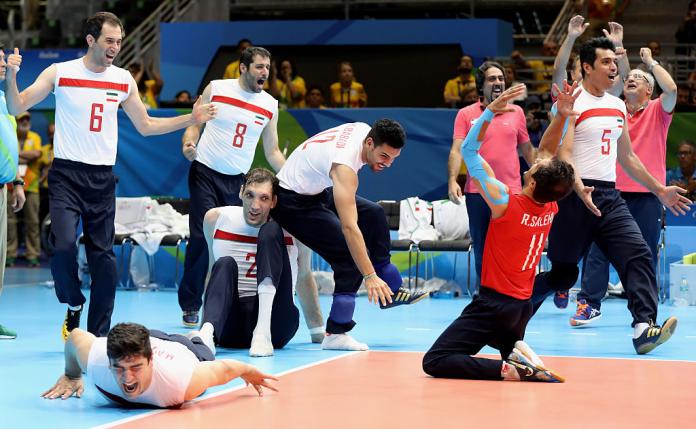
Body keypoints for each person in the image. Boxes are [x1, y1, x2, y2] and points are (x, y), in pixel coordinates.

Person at [3, 12, 217, 340]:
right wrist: (12, 77)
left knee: (103, 259)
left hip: (101, 180)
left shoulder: (123, 79)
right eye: (109, 41)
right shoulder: (60, 72)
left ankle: (98, 338)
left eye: (119, 41)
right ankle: (73, 302)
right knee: (61, 245)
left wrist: (192, 116)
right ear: (91, 41)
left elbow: (146, 126)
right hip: (66, 175)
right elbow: (16, 108)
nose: (115, 47)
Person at [530, 37, 690, 355]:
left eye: (614, 62)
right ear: (587, 67)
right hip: (573, 195)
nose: (614, 67)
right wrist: (578, 188)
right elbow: (565, 153)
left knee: (639, 255)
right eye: (606, 62)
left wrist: (659, 190)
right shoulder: (571, 103)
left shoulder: (618, 106)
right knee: (564, 274)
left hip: (608, 195)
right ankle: (511, 308)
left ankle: (643, 327)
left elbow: (627, 157)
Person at [423, 82, 577, 383]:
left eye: (534, 168)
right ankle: (516, 352)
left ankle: (508, 369)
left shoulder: (506, 202)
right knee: (504, 341)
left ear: (533, 183)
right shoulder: (549, 206)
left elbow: (468, 149)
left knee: (436, 360)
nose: (532, 163)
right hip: (520, 308)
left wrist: (488, 113)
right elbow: (545, 152)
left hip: (494, 305)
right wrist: (562, 116)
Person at [272, 119, 427, 351]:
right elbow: (349, 228)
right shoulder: (345, 166)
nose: (388, 164)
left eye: (393, 159)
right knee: (350, 258)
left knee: (374, 213)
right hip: (291, 202)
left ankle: (391, 292)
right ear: (370, 143)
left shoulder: (364, 130)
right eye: (384, 156)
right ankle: (336, 332)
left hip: (314, 191)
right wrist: (369, 275)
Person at [577, 48, 677, 326]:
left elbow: (671, 88)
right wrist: (619, 47)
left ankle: (644, 315)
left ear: (649, 90)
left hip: (647, 195)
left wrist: (650, 62)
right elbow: (613, 79)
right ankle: (588, 305)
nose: (630, 78)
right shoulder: (614, 108)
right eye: (628, 76)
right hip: (611, 191)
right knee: (597, 251)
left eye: (638, 77)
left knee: (642, 254)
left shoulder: (658, 110)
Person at [202, 168, 312, 356]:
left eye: (264, 198)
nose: (255, 205)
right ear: (241, 192)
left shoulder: (295, 229)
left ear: (274, 201)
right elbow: (213, 274)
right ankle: (206, 335)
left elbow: (304, 276)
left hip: (276, 324)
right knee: (224, 263)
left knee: (270, 230)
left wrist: (318, 330)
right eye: (250, 195)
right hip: (231, 328)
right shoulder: (216, 219)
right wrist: (206, 323)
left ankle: (262, 333)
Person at [447, 61, 535, 293]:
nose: (498, 83)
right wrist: (453, 180)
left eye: (501, 78)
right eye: (492, 79)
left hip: (512, 193)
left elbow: (527, 150)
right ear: (480, 85)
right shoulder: (465, 114)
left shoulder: (517, 113)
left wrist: (541, 179)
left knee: (512, 248)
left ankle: (513, 296)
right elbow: (457, 150)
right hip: (478, 194)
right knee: (483, 250)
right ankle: (485, 297)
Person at [41, 322, 278, 407]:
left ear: (150, 360)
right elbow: (75, 338)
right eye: (119, 368)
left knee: (204, 348)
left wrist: (248, 371)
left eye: (135, 368)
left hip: (185, 350)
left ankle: (200, 334)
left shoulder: (180, 382)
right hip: (147, 337)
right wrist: (72, 375)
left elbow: (225, 369)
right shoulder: (97, 360)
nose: (127, 378)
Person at [0, 45, 26, 339]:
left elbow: (9, 145)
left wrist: (17, 181)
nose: (3, 63)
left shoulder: (4, 100)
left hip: (3, 187)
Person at [7, 112, 41, 267]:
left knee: (32, 221)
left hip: (32, 185)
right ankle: (10, 253)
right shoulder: (10, 134)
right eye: (22, 119)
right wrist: (22, 155)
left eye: (28, 119)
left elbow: (36, 154)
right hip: (11, 185)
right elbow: (7, 156)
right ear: (17, 121)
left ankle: (32, 255)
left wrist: (15, 153)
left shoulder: (35, 137)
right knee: (10, 221)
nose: (25, 121)